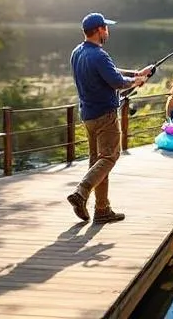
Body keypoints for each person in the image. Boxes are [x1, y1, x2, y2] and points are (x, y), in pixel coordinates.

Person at [65, 12, 150, 224]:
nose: (108, 31)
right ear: (99, 30)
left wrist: (136, 73)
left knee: (98, 161)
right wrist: (135, 82)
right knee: (110, 157)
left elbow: (109, 71)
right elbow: (116, 81)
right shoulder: (99, 55)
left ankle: (102, 210)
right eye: (106, 28)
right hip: (105, 115)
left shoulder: (78, 52)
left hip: (88, 115)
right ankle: (82, 191)